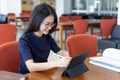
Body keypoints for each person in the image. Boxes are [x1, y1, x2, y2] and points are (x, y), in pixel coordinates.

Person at [18, 3, 71, 74]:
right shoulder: (24, 40)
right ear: (37, 21)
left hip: (42, 73)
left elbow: (60, 52)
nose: (50, 27)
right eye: (47, 24)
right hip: (28, 75)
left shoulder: (47, 37)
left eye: (52, 24)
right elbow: (31, 67)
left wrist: (71, 57)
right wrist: (57, 63)